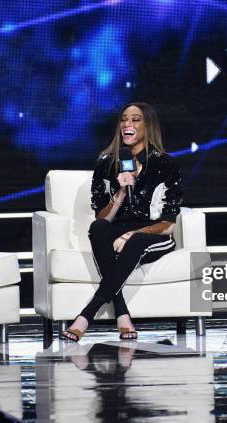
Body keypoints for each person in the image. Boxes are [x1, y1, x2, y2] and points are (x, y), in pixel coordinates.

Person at [60, 102, 183, 342]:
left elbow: (169, 221)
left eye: (135, 119)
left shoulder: (165, 164)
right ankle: (122, 314)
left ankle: (86, 315)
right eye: (124, 119)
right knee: (98, 228)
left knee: (136, 240)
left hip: (153, 234)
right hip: (117, 232)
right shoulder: (107, 162)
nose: (128, 124)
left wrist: (130, 236)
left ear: (148, 125)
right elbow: (101, 217)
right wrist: (120, 194)